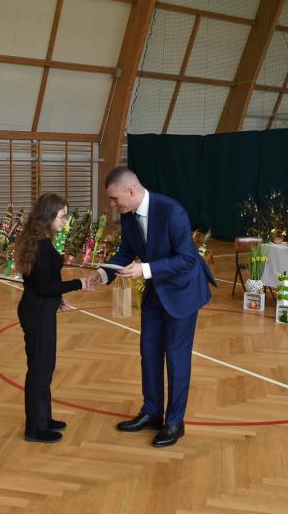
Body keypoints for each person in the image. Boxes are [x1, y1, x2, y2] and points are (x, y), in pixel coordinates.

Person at [89, 167, 216, 447]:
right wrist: (103, 273)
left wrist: (145, 269)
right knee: (149, 353)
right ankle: (152, 412)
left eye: (114, 198)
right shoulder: (128, 215)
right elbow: (126, 252)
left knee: (176, 358)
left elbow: (187, 259)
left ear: (131, 190)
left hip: (182, 293)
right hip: (155, 292)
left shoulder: (172, 211)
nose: (112, 204)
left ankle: (175, 423)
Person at [15, 193, 94, 443]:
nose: (64, 221)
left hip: (39, 308)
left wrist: (57, 299)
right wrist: (79, 283)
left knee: (44, 367)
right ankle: (35, 429)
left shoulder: (38, 240)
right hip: (37, 312)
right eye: (61, 216)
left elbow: (41, 282)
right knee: (39, 370)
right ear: (48, 217)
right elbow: (46, 286)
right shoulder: (42, 245)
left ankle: (44, 419)